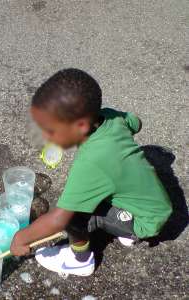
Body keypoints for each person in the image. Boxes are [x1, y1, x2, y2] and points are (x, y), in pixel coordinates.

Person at [10, 68, 172, 276]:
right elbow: (136, 122)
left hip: (145, 221)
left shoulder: (91, 163)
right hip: (150, 202)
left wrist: (21, 238)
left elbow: (58, 219)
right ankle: (121, 221)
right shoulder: (109, 117)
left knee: (74, 217)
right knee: (96, 191)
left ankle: (81, 260)